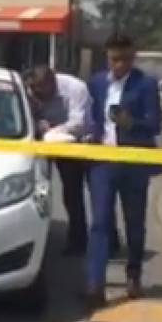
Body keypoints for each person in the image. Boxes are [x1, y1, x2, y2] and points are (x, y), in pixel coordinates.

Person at [84, 33, 162, 309]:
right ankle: (95, 284)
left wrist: (132, 123)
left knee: (134, 223)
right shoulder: (96, 82)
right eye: (114, 59)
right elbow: (91, 116)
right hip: (103, 162)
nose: (119, 64)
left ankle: (133, 275)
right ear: (107, 57)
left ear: (133, 57)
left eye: (125, 59)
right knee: (100, 222)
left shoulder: (146, 84)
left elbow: (156, 125)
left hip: (133, 163)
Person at [23, 65, 121, 257]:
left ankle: (110, 240)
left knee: (99, 195)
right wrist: (38, 123)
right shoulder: (31, 93)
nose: (36, 94)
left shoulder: (75, 88)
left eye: (40, 90)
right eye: (33, 89)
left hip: (88, 143)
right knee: (71, 195)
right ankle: (78, 240)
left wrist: (52, 130)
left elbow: (79, 123)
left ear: (52, 82)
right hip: (61, 147)